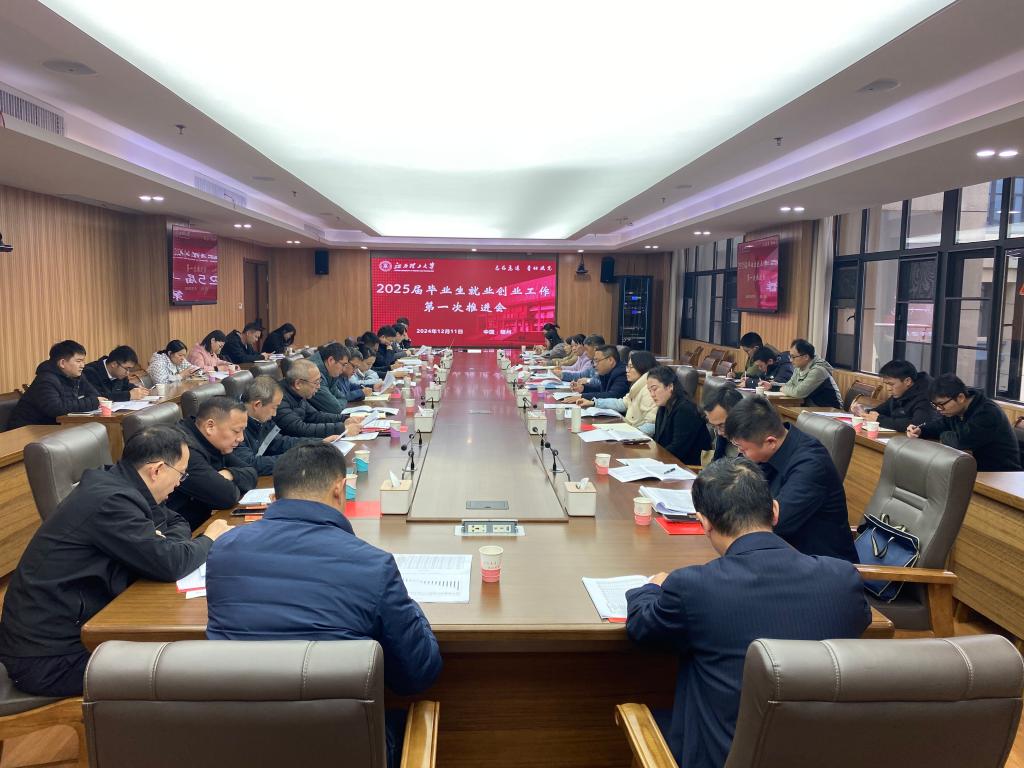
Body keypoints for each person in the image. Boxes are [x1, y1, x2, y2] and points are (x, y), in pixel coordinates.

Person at [206, 443, 442, 767]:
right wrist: (408, 604)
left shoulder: (223, 551)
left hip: (240, 745)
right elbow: (417, 675)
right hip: (342, 748)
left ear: (274, 497)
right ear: (339, 489)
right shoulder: (373, 565)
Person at [625, 457, 870, 768]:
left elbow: (642, 628)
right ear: (775, 511)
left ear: (704, 523)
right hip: (818, 753)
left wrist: (650, 589)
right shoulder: (842, 578)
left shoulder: (693, 587)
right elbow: (861, 621)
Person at [0, 426, 231, 696]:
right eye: (181, 473)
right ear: (157, 470)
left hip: (75, 631)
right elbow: (171, 564)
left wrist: (164, 542)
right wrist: (210, 538)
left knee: (184, 653)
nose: (180, 483)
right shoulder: (111, 501)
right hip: (51, 658)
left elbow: (177, 521)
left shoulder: (124, 483)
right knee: (185, 667)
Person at [724, 396, 857, 561]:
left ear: (770, 442)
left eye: (743, 449)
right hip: (783, 553)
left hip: (822, 566)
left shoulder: (811, 465)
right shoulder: (770, 450)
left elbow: (773, 522)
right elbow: (736, 483)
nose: (741, 454)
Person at [167, 396, 258, 530]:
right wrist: (231, 480)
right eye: (236, 431)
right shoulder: (183, 449)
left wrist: (229, 473)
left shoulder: (213, 441)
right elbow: (226, 496)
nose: (241, 438)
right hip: (179, 532)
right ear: (210, 426)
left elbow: (252, 472)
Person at [908, 373, 1021, 471]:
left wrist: (944, 435)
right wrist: (920, 430)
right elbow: (941, 425)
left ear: (960, 397)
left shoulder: (987, 413)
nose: (938, 409)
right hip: (974, 468)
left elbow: (960, 442)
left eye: (941, 404)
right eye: (935, 405)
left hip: (1000, 473)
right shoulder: (955, 410)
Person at [233, 376, 342, 475]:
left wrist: (316, 444)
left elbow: (280, 442)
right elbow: (250, 463)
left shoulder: (260, 420)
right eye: (274, 407)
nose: (274, 414)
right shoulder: (235, 428)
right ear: (257, 405)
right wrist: (300, 458)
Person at [7, 340, 100, 429]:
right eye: (78, 361)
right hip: (28, 429)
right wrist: (93, 402)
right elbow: (56, 409)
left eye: (83, 361)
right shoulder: (46, 380)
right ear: (62, 363)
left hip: (54, 427)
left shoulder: (77, 376)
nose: (83, 365)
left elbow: (96, 396)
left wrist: (94, 400)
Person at [274, 359, 363, 439]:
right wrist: (342, 429)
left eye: (319, 381)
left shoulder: (298, 394)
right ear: (298, 384)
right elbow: (299, 429)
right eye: (316, 382)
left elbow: (315, 416)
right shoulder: (279, 399)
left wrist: (345, 418)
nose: (319, 386)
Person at [576, 350, 659, 435]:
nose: (627, 370)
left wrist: (631, 435)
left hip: (637, 437)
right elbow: (623, 403)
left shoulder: (648, 390)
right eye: (627, 366)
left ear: (642, 367)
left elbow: (652, 424)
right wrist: (594, 403)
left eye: (631, 367)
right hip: (630, 431)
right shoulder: (638, 385)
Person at [647, 365, 712, 465]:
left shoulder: (685, 409)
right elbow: (658, 440)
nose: (652, 394)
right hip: (669, 462)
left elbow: (677, 449)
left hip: (689, 467)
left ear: (670, 386)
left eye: (654, 389)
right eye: (649, 390)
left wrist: (653, 459)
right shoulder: (663, 406)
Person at [852, 360, 933, 432]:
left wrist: (879, 420)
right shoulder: (901, 392)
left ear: (907, 381)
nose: (888, 389)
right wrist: (864, 412)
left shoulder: (926, 396)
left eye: (891, 384)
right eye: (886, 384)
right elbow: (881, 410)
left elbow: (917, 424)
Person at [307, 342, 370, 414]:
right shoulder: (315, 373)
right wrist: (339, 402)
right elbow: (334, 408)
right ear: (331, 360)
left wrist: (338, 402)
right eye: (343, 365)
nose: (343, 369)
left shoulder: (330, 372)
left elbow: (342, 398)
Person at [780, 338, 843, 408]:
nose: (790, 360)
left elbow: (798, 393)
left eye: (793, 357)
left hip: (831, 409)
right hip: (812, 408)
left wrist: (782, 388)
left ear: (806, 357)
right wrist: (785, 387)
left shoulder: (818, 370)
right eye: (790, 356)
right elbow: (789, 385)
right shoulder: (798, 368)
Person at [82, 345, 150, 401]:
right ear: (114, 364)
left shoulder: (120, 374)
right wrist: (128, 395)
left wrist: (139, 390)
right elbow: (98, 397)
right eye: (127, 368)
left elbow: (127, 386)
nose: (128, 373)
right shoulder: (89, 372)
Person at [704, 386, 744, 462]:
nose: (719, 432)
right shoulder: (721, 436)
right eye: (713, 426)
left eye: (722, 425)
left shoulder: (753, 444)